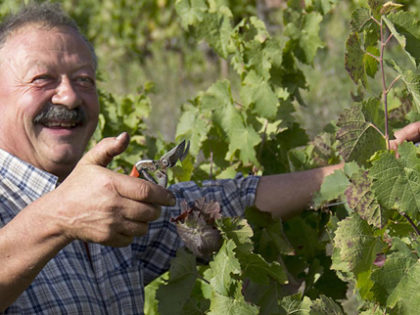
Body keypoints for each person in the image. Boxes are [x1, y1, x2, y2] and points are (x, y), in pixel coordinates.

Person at [2, 2, 414, 313]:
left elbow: (233, 199)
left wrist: (369, 167)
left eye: (84, 80)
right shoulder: (64, 206)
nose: (70, 95)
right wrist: (58, 217)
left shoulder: (107, 208)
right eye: (42, 80)